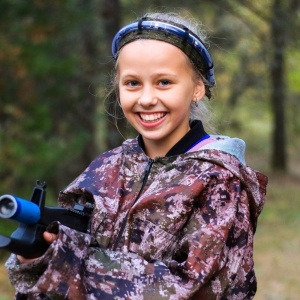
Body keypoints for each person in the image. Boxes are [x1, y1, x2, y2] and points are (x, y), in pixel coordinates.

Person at [5, 12, 267, 300]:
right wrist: (38, 260)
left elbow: (195, 286)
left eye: (164, 82)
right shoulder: (105, 168)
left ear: (197, 88)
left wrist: (68, 264)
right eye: (132, 83)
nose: (146, 98)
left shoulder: (219, 180)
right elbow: (61, 269)